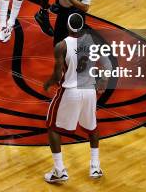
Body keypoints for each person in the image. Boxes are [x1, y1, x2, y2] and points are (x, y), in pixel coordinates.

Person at [43, 13, 111, 183]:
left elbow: (58, 75)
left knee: (52, 126)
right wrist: (103, 81)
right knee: (92, 128)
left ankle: (59, 170)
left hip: (70, 91)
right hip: (89, 91)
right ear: (82, 26)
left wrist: (48, 83)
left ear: (67, 27)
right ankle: (95, 166)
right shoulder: (92, 42)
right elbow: (108, 64)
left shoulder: (61, 45)